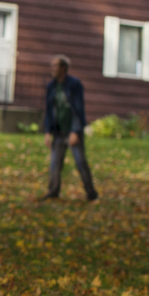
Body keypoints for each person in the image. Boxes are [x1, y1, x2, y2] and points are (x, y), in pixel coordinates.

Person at [42, 55, 98, 201]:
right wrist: (47, 131)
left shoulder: (74, 84)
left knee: (80, 162)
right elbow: (49, 110)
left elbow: (79, 109)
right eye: (52, 66)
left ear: (63, 68)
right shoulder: (51, 86)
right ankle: (53, 191)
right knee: (55, 163)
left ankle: (91, 194)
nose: (52, 69)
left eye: (55, 66)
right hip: (58, 132)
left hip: (73, 131)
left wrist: (75, 130)